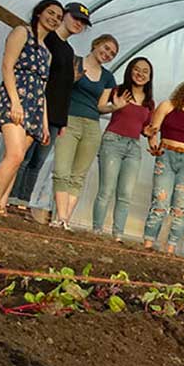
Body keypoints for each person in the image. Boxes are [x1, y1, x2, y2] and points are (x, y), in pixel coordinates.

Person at [8, 1, 89, 216]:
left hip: (55, 117)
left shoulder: (69, 50)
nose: (78, 24)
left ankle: (22, 203)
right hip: (37, 107)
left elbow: (63, 88)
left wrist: (62, 121)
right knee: (22, 157)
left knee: (37, 161)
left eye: (83, 23)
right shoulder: (48, 39)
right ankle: (9, 198)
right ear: (65, 16)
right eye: (75, 18)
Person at [0, 0, 61, 217]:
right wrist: (15, 101)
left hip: (35, 106)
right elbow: (7, 66)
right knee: (15, 155)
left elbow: (43, 88)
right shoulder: (22, 32)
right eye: (51, 13)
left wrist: (44, 123)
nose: (54, 19)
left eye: (58, 16)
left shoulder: (47, 52)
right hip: (16, 98)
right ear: (39, 13)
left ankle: (1, 204)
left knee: (18, 160)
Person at [51, 33, 117, 227]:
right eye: (105, 48)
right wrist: (72, 78)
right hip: (69, 120)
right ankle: (61, 218)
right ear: (96, 44)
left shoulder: (107, 77)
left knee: (78, 176)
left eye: (112, 53)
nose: (107, 54)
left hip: (92, 126)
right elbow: (59, 87)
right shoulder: (75, 62)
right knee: (62, 170)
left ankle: (64, 220)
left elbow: (101, 106)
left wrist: (115, 106)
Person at [141, 77, 184, 254]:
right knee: (160, 201)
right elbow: (153, 130)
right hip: (166, 155)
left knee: (180, 207)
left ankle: (170, 248)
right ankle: (148, 244)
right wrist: (154, 146)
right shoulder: (168, 106)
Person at [92, 56, 154, 240]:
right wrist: (115, 105)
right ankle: (97, 230)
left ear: (150, 77)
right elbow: (100, 108)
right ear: (130, 71)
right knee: (106, 190)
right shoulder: (118, 91)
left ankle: (118, 234)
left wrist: (149, 132)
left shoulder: (149, 102)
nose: (140, 74)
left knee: (125, 194)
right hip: (113, 142)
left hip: (133, 147)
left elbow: (145, 128)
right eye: (137, 69)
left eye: (145, 71)